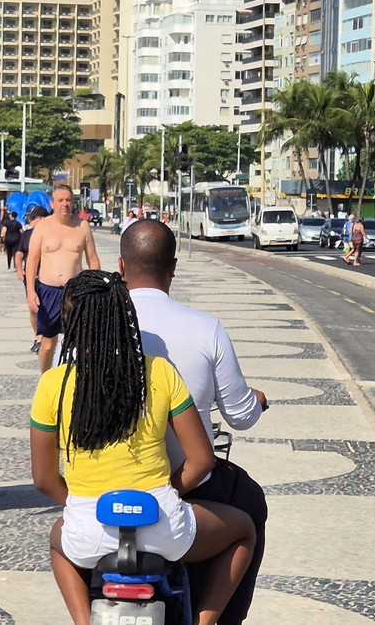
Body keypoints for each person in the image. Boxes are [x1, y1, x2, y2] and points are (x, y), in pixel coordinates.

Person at [30, 271, 256, 625]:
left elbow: (44, 479)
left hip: (90, 530)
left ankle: (83, 621)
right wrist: (161, 494)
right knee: (244, 529)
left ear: (72, 324)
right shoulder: (159, 372)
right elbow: (201, 460)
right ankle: (205, 621)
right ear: (126, 316)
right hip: (163, 525)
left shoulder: (53, 385)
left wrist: (85, 501)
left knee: (58, 544)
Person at [120, 220, 268, 623]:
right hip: (184, 484)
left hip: (105, 488)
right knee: (250, 507)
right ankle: (217, 617)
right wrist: (258, 401)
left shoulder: (90, 331)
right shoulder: (204, 328)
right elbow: (239, 415)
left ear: (121, 268)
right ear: (172, 268)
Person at [25, 185, 101, 373]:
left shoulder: (82, 226)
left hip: (75, 292)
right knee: (49, 343)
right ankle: (45, 379)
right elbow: (32, 260)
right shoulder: (43, 226)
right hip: (48, 290)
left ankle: (80, 381)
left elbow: (93, 259)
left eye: (68, 200)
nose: (65, 204)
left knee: (81, 341)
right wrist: (30, 292)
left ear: (73, 202)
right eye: (60, 200)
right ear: (52, 203)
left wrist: (96, 287)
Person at [15, 206, 48, 354]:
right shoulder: (27, 234)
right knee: (33, 308)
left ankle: (44, 337)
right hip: (31, 277)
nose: (31, 221)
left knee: (46, 308)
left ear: (41, 219)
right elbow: (19, 254)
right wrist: (19, 270)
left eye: (33, 218)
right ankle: (38, 335)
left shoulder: (50, 233)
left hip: (47, 278)